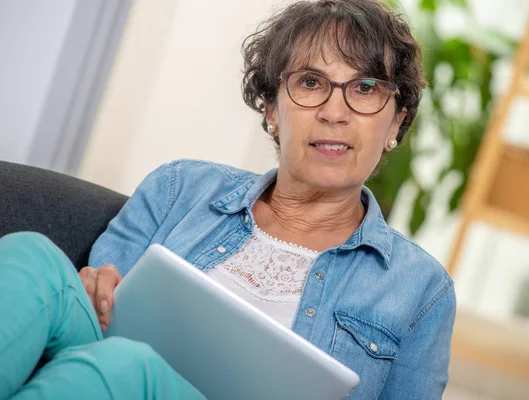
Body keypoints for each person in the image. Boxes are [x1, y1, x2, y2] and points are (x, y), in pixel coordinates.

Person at [0, 0, 456, 398]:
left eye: (365, 88)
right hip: (104, 379)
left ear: (396, 124)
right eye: (311, 82)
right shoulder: (179, 188)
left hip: (122, 372)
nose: (334, 112)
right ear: (272, 109)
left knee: (127, 364)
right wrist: (94, 289)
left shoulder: (420, 289)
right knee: (33, 256)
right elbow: (91, 317)